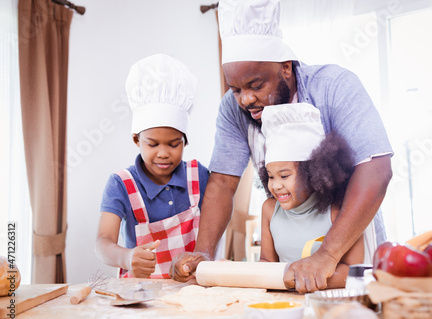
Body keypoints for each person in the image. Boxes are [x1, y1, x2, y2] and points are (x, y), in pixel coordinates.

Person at [170, 0, 393, 293]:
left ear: (285, 68)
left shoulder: (334, 86)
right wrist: (205, 252)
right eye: (235, 89)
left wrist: (326, 255)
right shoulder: (233, 110)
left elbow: (376, 169)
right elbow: (223, 182)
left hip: (347, 250)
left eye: (256, 85)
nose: (245, 100)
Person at [96, 54, 210, 278]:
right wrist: (127, 257)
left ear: (185, 141)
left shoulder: (198, 176)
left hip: (191, 292)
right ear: (137, 140)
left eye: (174, 144)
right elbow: (102, 242)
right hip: (139, 297)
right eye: (153, 144)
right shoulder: (121, 184)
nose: (164, 153)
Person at [258, 103, 377, 289]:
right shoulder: (269, 210)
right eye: (270, 176)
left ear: (312, 173)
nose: (275, 185)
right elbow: (266, 262)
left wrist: (299, 278)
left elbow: (353, 272)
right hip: (283, 304)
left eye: (284, 176)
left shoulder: (338, 211)